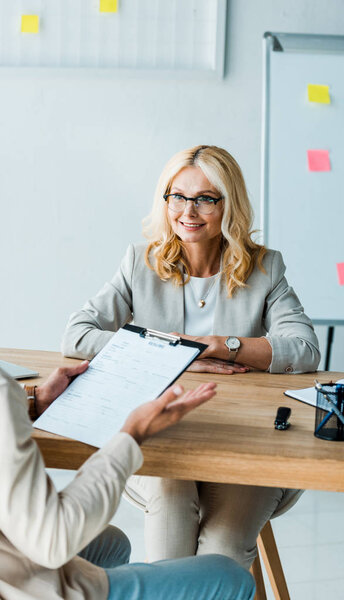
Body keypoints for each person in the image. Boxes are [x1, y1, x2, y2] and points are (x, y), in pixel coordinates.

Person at [0, 163, 255, 600]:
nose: (190, 210)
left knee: (114, 544)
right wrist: (131, 433)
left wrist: (32, 400)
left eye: (205, 198)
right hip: (18, 586)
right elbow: (52, 539)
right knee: (229, 575)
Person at [62, 145, 320, 569]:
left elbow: (305, 349)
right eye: (177, 196)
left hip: (244, 443)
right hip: (161, 438)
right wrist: (171, 352)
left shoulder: (264, 267)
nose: (188, 211)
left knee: (221, 547)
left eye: (205, 198)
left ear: (228, 203)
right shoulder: (139, 264)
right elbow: (77, 335)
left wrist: (218, 345)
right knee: (170, 510)